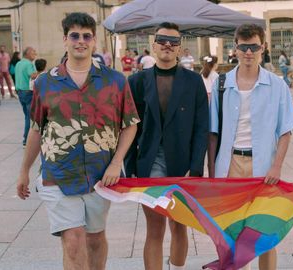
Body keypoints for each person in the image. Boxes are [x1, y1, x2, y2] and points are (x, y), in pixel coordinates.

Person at [16, 12, 139, 270]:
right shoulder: (45, 83)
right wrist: (24, 171)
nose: (80, 41)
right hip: (58, 174)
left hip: (100, 176)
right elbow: (37, 130)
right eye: (74, 35)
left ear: (94, 41)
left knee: (95, 239)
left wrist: (117, 163)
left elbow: (130, 125)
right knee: (73, 241)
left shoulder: (114, 81)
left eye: (86, 36)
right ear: (65, 40)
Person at [208, 23, 293, 270]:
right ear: (235, 48)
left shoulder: (276, 85)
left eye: (254, 47)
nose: (249, 52)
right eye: (244, 47)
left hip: (264, 167)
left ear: (263, 48)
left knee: (265, 233)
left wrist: (277, 167)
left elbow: (286, 131)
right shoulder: (222, 83)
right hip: (230, 165)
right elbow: (213, 133)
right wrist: (213, 172)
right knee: (233, 230)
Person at [124, 22, 208, 270]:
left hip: (182, 163)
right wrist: (130, 167)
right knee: (155, 228)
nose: (167, 46)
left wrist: (195, 168)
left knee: (179, 224)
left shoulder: (194, 82)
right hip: (149, 163)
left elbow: (201, 128)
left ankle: (177, 266)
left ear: (180, 49)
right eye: (162, 40)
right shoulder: (137, 81)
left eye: (173, 42)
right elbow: (129, 127)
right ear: (153, 46)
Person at [15, 47, 37, 146]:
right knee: (30, 117)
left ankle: (26, 139)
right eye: (33, 52)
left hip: (20, 92)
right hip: (28, 93)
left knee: (27, 116)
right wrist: (41, 73)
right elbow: (32, 75)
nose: (35, 54)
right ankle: (26, 140)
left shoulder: (18, 63)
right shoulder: (29, 64)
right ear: (27, 53)